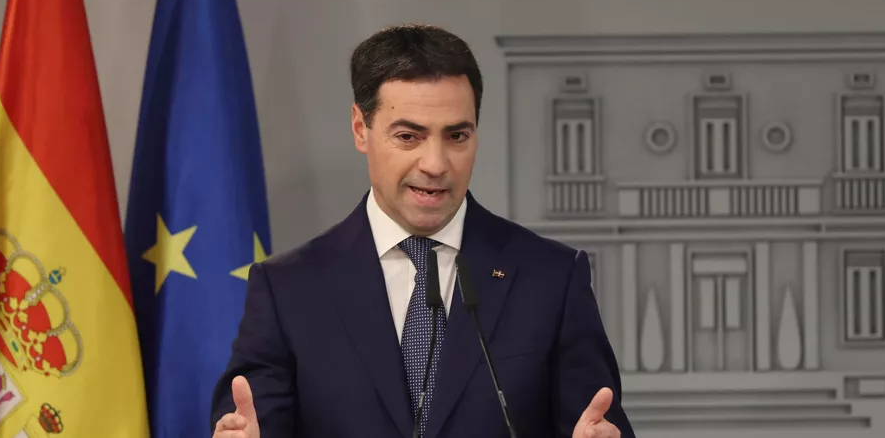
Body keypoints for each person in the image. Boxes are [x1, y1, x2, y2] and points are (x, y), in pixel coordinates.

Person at [210, 24, 633, 438]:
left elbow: (597, 424)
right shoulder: (288, 289)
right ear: (361, 128)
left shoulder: (551, 277)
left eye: (457, 135)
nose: (435, 163)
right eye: (409, 136)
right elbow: (256, 423)